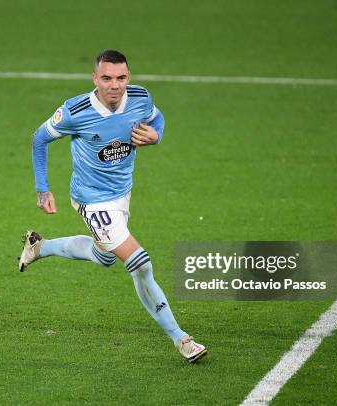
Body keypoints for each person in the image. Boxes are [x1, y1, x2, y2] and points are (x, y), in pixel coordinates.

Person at [19, 50, 206, 363]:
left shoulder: (140, 98)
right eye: (106, 78)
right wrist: (42, 189)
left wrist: (156, 135)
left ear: (128, 78)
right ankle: (182, 339)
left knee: (103, 256)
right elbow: (39, 138)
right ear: (95, 79)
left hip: (122, 195)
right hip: (91, 200)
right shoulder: (75, 111)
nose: (114, 85)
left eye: (121, 78)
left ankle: (40, 247)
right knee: (141, 263)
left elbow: (156, 117)